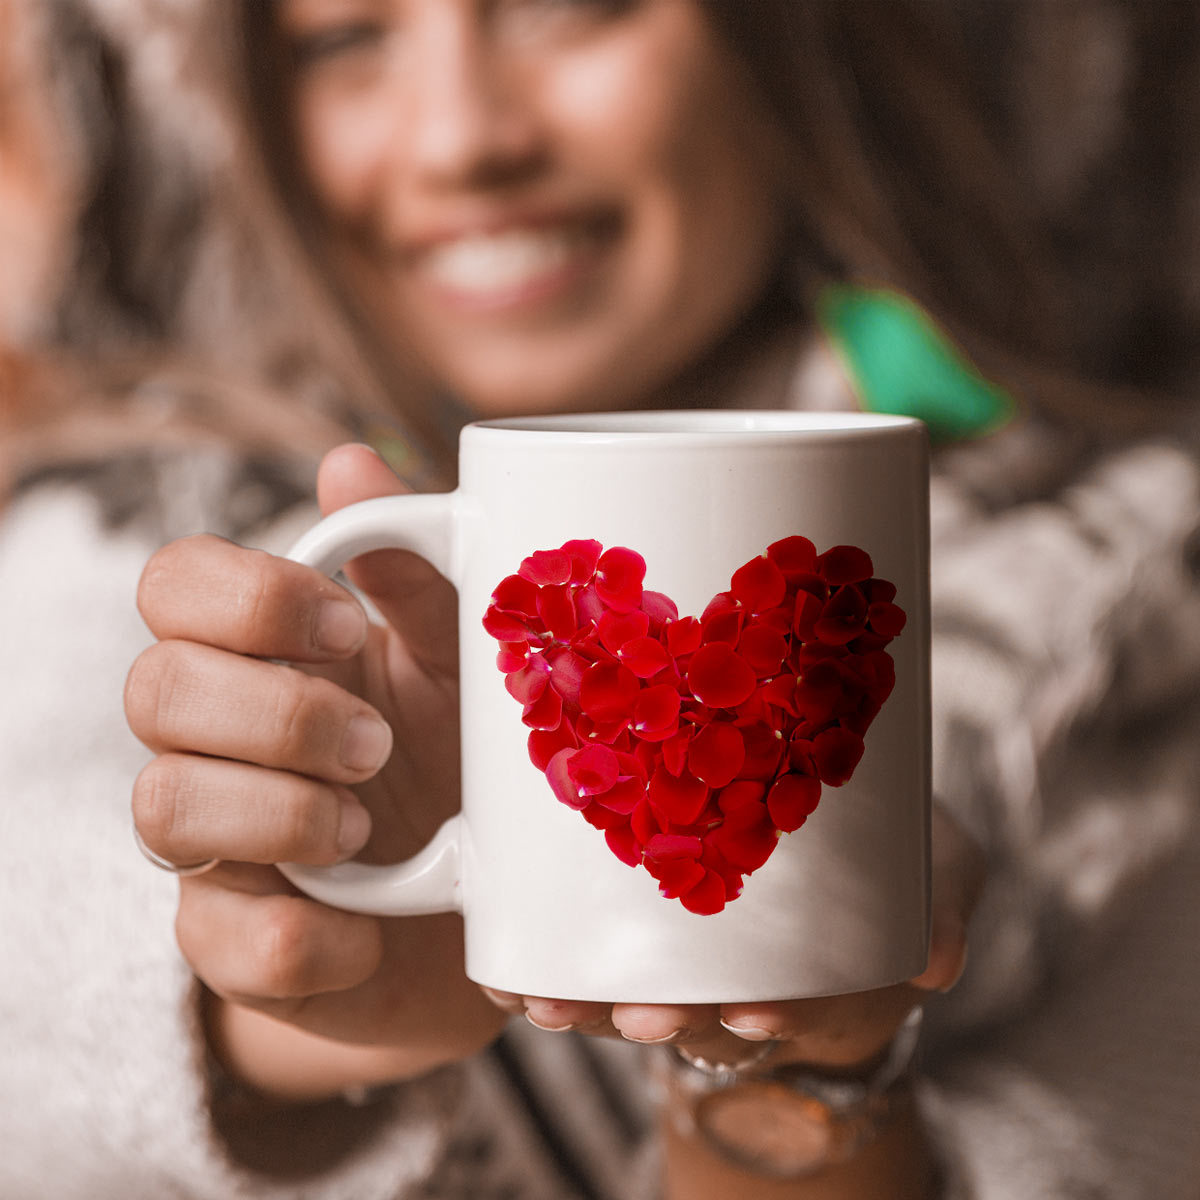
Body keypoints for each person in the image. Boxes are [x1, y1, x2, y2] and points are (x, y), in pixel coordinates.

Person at [3, 1, 1199, 1197]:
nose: (458, 139)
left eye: (566, 9)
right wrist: (289, 994)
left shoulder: (1117, 598)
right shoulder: (128, 527)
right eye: (342, 40)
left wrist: (797, 1056)